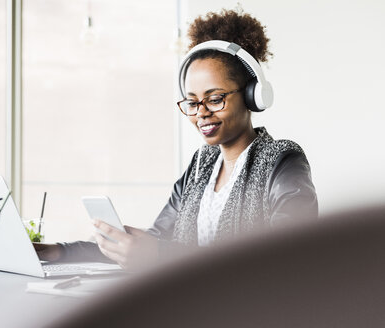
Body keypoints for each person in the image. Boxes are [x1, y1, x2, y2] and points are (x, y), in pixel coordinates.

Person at [34, 8, 318, 270]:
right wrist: (57, 252)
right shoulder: (201, 165)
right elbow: (158, 239)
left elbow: (288, 258)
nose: (201, 114)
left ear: (252, 96)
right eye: (192, 103)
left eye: (215, 99)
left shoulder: (283, 160)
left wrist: (159, 253)